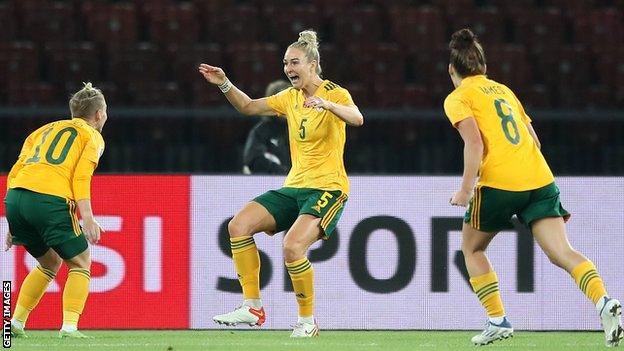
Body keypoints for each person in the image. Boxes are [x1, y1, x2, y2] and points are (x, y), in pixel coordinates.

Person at [443, 28, 623, 347]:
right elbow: (534, 139)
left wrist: (466, 189)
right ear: (483, 67)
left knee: (472, 249)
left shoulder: (458, 97)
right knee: (562, 252)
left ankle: (497, 319)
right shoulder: (504, 90)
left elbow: (474, 142)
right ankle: (604, 302)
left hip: (499, 182)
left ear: (452, 70)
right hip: (540, 178)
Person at [199, 29, 363, 337]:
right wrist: (224, 83)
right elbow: (248, 107)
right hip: (295, 186)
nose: (288, 69)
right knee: (238, 225)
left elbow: (357, 118)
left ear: (312, 64)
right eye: (286, 63)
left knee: (292, 246)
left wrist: (328, 106)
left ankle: (307, 321)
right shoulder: (289, 98)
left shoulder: (334, 93)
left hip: (328, 187)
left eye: (295, 62)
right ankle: (252, 307)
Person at [4, 82, 107, 339]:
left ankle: (15, 322)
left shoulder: (43, 130)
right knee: (81, 262)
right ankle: (69, 328)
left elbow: (17, 169)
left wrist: (10, 220)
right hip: (49, 199)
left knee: (49, 262)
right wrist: (89, 219)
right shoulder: (92, 136)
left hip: (15, 197)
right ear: (99, 115)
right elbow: (81, 177)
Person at [242, 80, 291, 175]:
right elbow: (253, 159)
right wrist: (280, 172)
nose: (286, 105)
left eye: (289, 101)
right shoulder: (261, 131)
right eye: (282, 101)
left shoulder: (302, 127)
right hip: (272, 183)